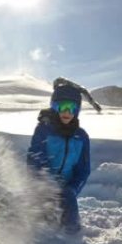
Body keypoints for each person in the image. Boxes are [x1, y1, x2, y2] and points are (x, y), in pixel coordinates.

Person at [27, 79, 91, 234]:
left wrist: (72, 189)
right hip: (42, 187)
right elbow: (35, 158)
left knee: (70, 222)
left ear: (77, 110)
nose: (66, 112)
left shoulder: (81, 137)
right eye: (62, 107)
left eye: (72, 107)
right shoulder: (44, 130)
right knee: (32, 215)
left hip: (66, 192)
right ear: (54, 107)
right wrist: (47, 184)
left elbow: (83, 170)